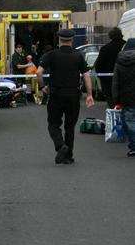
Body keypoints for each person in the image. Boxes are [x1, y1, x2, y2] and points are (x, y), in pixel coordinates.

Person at [36, 29, 95, 164]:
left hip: (56, 94)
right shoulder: (78, 55)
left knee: (53, 124)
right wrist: (90, 94)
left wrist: (42, 87)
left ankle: (60, 145)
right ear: (72, 40)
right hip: (73, 95)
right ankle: (68, 156)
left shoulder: (51, 55)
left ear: (59, 39)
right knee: (70, 127)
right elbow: (86, 75)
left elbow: (39, 72)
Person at [112, 41, 135, 157]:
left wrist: (115, 99)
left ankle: (134, 146)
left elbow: (115, 82)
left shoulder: (119, 62)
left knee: (129, 122)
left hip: (126, 97)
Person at [95, 27, 126, 107]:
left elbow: (98, 66)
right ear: (121, 35)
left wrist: (103, 79)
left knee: (112, 104)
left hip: (109, 83)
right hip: (126, 82)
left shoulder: (105, 49)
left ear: (110, 36)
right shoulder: (126, 47)